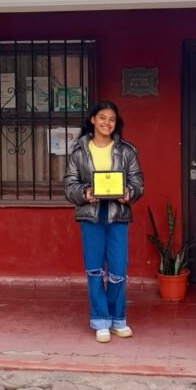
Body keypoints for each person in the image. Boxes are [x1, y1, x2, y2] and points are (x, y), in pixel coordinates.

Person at [64, 100, 144, 343]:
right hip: (91, 215)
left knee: (118, 270)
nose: (107, 123)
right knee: (95, 269)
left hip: (118, 214)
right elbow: (69, 186)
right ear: (92, 120)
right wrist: (85, 193)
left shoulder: (127, 150)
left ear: (116, 123)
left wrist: (130, 193)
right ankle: (100, 319)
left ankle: (118, 318)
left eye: (111, 119)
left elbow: (138, 182)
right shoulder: (79, 151)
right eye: (102, 118)